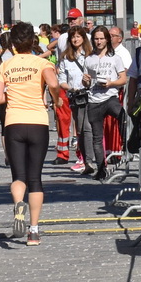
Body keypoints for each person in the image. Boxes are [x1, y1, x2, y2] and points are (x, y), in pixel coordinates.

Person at [0, 22, 59, 246]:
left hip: (14, 122)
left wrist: (11, 92)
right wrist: (55, 97)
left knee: (18, 176)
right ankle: (33, 231)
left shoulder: (6, 65)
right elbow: (53, 83)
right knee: (35, 178)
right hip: (38, 122)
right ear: (33, 41)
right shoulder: (41, 62)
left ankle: (18, 204)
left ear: (12, 43)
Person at [81, 26, 129, 179]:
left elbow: (123, 79)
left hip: (110, 97)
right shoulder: (88, 59)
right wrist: (85, 81)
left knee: (123, 117)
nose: (99, 41)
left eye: (102, 38)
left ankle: (127, 146)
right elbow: (86, 83)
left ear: (107, 39)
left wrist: (111, 83)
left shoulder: (115, 58)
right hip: (94, 100)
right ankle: (101, 169)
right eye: (96, 39)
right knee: (97, 136)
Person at [58, 26, 93, 173]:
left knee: (88, 128)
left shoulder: (91, 56)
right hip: (76, 97)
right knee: (80, 129)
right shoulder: (66, 58)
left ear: (84, 38)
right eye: (73, 37)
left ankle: (92, 160)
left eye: (78, 36)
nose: (75, 39)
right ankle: (85, 160)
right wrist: (72, 89)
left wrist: (90, 82)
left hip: (91, 96)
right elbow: (62, 81)